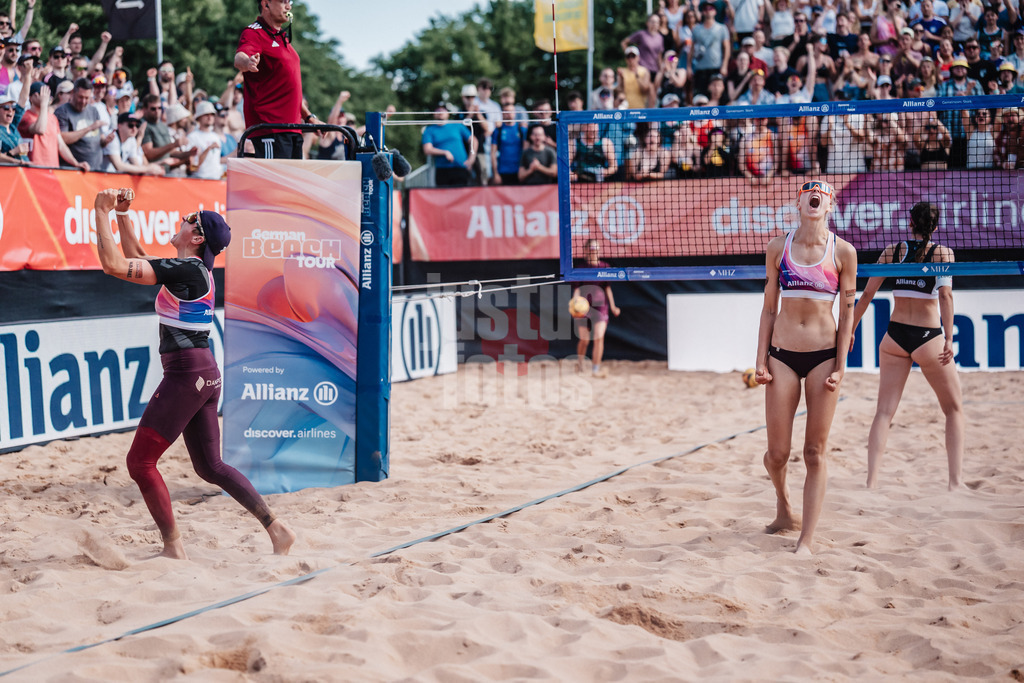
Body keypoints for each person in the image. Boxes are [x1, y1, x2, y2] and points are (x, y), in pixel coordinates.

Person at [91, 187, 297, 559]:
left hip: (187, 375)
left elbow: (113, 266)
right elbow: (137, 257)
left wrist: (101, 211)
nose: (182, 221)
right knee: (211, 466)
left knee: (140, 463)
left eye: (189, 220)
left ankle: (173, 547)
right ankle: (277, 529)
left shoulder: (189, 270)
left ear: (197, 237)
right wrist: (122, 214)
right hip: (204, 373)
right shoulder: (193, 270)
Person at [754, 179, 857, 554]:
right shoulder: (778, 247)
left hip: (823, 356)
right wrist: (760, 359)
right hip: (781, 354)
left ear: (829, 206)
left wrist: (841, 366)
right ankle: (783, 506)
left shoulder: (843, 251)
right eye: (808, 192)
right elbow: (769, 309)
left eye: (823, 193)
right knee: (777, 454)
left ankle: (806, 540)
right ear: (798, 203)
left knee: (814, 452)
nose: (816, 195)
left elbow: (847, 315)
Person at [851, 202, 963, 490]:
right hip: (928, 338)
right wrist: (949, 338)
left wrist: (850, 330)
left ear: (910, 222)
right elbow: (946, 297)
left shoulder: (893, 251)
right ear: (936, 226)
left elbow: (866, 295)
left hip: (895, 337)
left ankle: (871, 483)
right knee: (953, 410)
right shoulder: (943, 253)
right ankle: (954, 483)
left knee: (883, 413)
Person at [235, 0, 318, 159]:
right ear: (266, 4)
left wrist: (308, 117)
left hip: (292, 129)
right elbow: (239, 58)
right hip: (271, 129)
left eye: (289, 2)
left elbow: (287, 91)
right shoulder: (254, 32)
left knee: (291, 177)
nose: (289, 6)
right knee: (274, 177)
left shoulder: (282, 37)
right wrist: (248, 62)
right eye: (283, 1)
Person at [573, 239, 620, 378]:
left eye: (596, 249)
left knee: (599, 337)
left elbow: (607, 288)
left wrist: (613, 306)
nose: (594, 252)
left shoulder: (605, 267)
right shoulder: (580, 268)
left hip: (600, 307)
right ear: (586, 251)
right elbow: (576, 289)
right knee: (584, 340)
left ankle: (595, 369)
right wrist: (575, 302)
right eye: (592, 249)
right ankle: (580, 363)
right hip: (583, 307)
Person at [422, 104, 475, 187]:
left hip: (461, 167)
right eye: (438, 110)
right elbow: (427, 149)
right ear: (434, 113)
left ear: (448, 113)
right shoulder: (429, 130)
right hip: (442, 170)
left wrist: (471, 160)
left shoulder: (457, 125)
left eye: (443, 110)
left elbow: (474, 141)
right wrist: (445, 152)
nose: (440, 112)